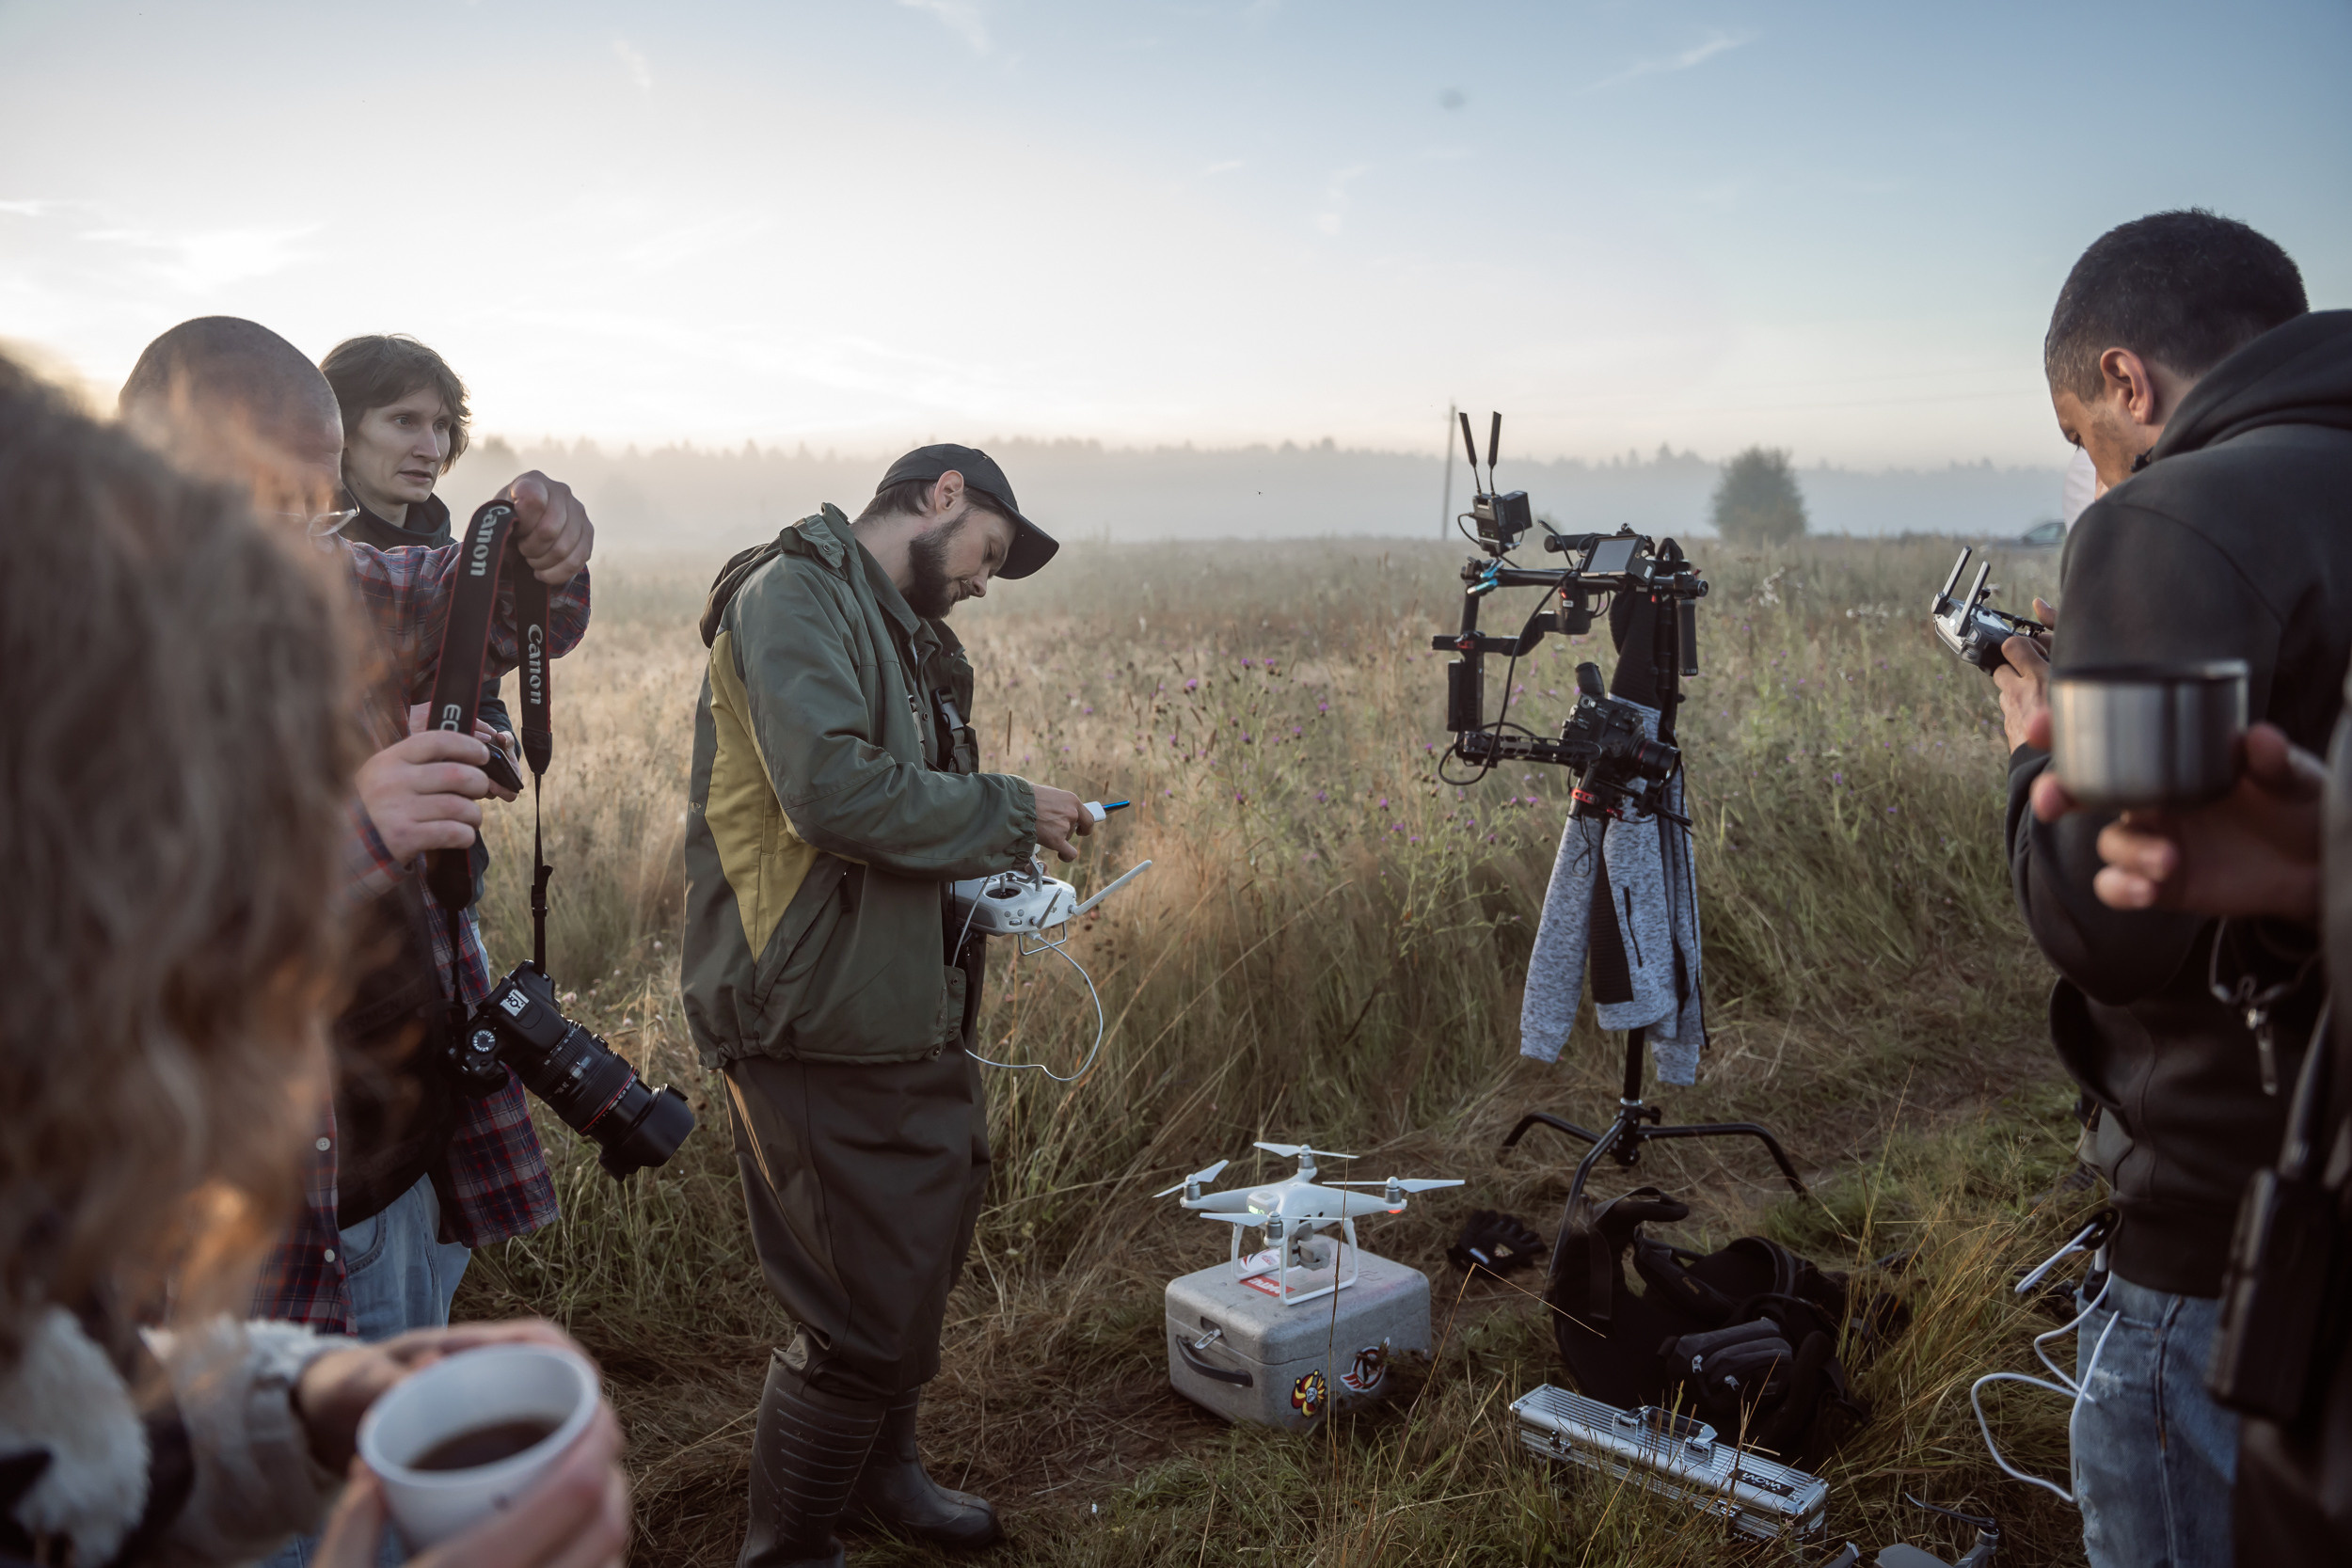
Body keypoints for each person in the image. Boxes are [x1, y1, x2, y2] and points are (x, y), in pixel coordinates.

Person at [0, 355, 629, 1567]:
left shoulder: (321, 581)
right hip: (238, 1213)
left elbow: (481, 605)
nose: (293, 542)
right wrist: (355, 832)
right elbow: (123, 953)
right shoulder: (84, 666)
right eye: (254, 501)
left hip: (395, 1165)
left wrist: (540, 544)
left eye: (315, 504)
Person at [1990, 212, 2352, 1565]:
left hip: (2233, 1235)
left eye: (2081, 435)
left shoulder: (2168, 514)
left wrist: (2035, 751)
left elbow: (2107, 922)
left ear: (2127, 382)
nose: (2094, 470)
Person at [682, 446, 1095, 1567]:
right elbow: (827, 792)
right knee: (857, 1303)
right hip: (810, 1006)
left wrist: (980, 885)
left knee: (915, 1249)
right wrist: (1007, 810)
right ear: (943, 493)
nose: (982, 583)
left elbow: (895, 818)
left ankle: (881, 1478)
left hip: (895, 993)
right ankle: (790, 1546)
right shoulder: (794, 595)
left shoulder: (899, 629)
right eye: (988, 554)